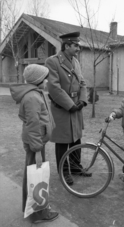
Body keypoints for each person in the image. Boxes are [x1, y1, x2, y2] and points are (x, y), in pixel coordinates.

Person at [10, 64, 59, 224]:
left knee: (33, 175)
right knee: (36, 177)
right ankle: (38, 214)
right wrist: (37, 148)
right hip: (35, 143)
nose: (47, 80)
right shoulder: (32, 97)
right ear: (38, 80)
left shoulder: (36, 94)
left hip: (37, 141)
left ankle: (32, 209)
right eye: (44, 77)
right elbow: (32, 125)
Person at [45, 31, 91, 186]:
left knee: (76, 139)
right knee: (63, 141)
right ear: (66, 45)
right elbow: (54, 88)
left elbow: (83, 82)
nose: (78, 48)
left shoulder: (76, 62)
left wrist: (83, 101)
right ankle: (64, 171)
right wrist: (70, 105)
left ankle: (76, 167)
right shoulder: (53, 62)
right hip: (63, 108)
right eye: (75, 45)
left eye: (78, 45)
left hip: (76, 107)